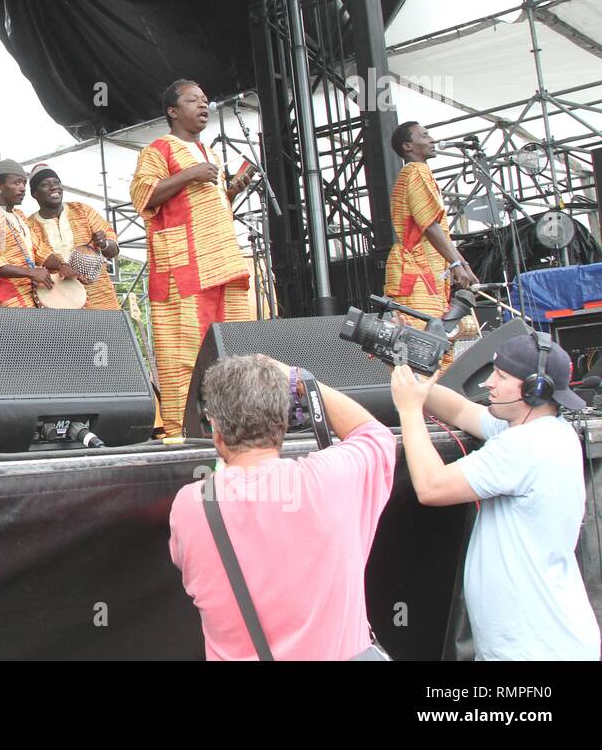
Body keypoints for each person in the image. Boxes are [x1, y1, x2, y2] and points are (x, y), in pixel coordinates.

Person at [169, 354, 396, 660]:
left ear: (215, 428)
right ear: (283, 422)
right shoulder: (332, 478)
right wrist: (298, 379)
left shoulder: (191, 505)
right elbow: (373, 433)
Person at [391, 333, 600, 660]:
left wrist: (408, 409)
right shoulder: (542, 430)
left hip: (537, 651)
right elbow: (460, 410)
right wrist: (410, 377)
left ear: (535, 390)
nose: (489, 383)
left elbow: (431, 486)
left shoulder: (525, 447)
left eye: (501, 376)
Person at [129, 80, 254, 438]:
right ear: (172, 111)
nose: (204, 105)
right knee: (184, 353)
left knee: (231, 350)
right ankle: (178, 433)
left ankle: (236, 427)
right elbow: (144, 196)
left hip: (223, 262)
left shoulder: (211, 153)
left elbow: (203, 206)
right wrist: (189, 174)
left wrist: (231, 190)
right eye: (193, 100)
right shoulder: (158, 150)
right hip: (184, 269)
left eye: (205, 100)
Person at [385, 122, 478, 331]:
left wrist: (462, 264)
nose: (432, 140)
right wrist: (456, 264)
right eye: (424, 136)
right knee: (426, 344)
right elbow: (430, 226)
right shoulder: (416, 172)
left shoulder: (418, 172)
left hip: (426, 274)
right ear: (408, 146)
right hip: (416, 273)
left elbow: (435, 228)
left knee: (438, 345)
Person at [26, 163, 120, 310]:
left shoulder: (83, 211)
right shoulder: (29, 225)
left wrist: (104, 244)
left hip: (101, 299)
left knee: (110, 333)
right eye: (45, 184)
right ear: (34, 193)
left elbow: (113, 250)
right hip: (58, 303)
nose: (53, 187)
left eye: (56, 183)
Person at [0, 159, 53, 307]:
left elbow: (40, 250)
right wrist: (31, 273)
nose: (22, 188)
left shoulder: (19, 216)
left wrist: (63, 265)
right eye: (16, 183)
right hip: (1, 303)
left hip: (27, 298)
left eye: (24, 183)